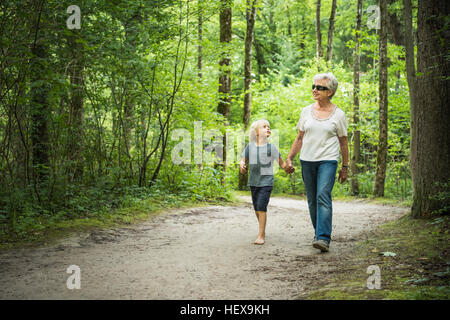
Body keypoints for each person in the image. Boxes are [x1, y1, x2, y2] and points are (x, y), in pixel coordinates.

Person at [286, 73, 349, 252]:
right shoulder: (306, 111)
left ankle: (323, 238)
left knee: (322, 195)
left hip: (328, 161)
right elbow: (299, 137)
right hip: (307, 160)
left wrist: (344, 167)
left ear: (330, 92)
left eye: (320, 87)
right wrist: (289, 158)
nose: (315, 90)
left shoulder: (339, 115)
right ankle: (318, 233)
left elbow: (344, 142)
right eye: (314, 86)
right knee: (312, 200)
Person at [240, 119, 290, 245]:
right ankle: (262, 230)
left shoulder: (271, 148)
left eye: (268, 126)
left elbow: (282, 164)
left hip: (266, 181)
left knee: (262, 207)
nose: (267, 128)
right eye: (264, 126)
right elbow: (242, 160)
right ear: (256, 132)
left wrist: (288, 168)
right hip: (253, 181)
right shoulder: (249, 147)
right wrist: (242, 166)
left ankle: (261, 235)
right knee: (257, 208)